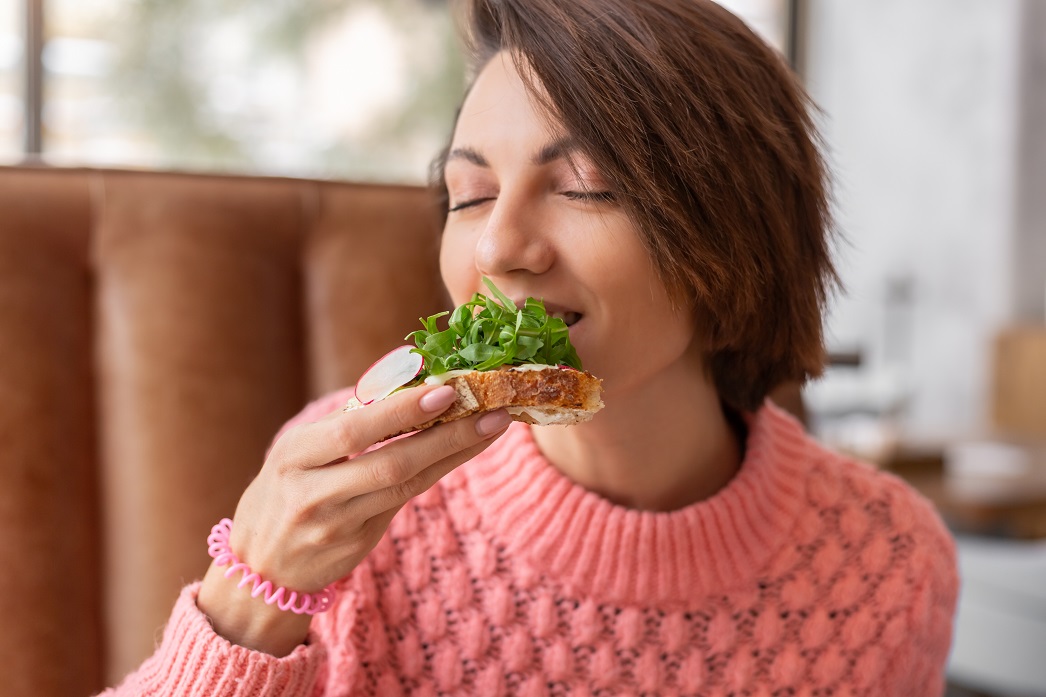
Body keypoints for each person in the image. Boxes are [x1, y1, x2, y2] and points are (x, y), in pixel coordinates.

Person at [100, 0, 958, 694]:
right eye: (469, 195)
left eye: (584, 186)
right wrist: (253, 595)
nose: (498, 245)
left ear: (731, 235)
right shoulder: (348, 501)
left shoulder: (887, 565)